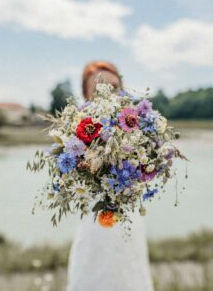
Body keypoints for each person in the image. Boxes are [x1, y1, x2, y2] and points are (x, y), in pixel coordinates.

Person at [66, 61, 154, 291]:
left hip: (131, 223)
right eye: (99, 87)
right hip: (95, 227)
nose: (108, 92)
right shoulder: (75, 134)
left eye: (114, 86)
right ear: (85, 95)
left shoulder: (138, 128)